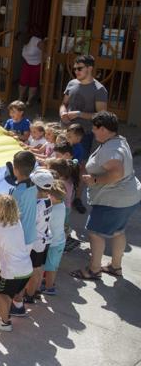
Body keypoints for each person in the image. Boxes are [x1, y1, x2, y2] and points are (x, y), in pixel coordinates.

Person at [71, 111, 141, 280]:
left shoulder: (112, 148)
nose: (93, 132)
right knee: (118, 231)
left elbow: (116, 173)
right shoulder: (118, 140)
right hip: (130, 197)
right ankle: (115, 267)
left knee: (95, 232)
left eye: (95, 128)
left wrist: (95, 180)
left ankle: (94, 270)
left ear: (103, 128)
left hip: (113, 200)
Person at [0, 194, 33, 332]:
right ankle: (2, 312)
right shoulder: (16, 222)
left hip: (11, 272)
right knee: (7, 293)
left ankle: (4, 322)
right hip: (26, 269)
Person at [59, 54, 107, 155]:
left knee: (79, 163)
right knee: (60, 160)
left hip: (83, 134)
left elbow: (101, 116)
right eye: (75, 69)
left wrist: (79, 114)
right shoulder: (71, 83)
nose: (76, 71)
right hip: (65, 130)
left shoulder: (99, 90)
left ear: (90, 68)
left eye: (79, 68)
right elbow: (64, 103)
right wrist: (63, 112)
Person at [8, 150, 37, 317]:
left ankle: (13, 305)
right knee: (22, 270)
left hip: (19, 238)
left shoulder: (17, 192)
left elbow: (10, 214)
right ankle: (18, 302)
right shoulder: (32, 185)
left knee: (13, 273)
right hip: (30, 236)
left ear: (15, 169)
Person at [23, 169, 54, 304]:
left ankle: (29, 295)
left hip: (36, 242)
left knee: (34, 270)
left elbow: (28, 222)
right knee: (39, 268)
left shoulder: (36, 205)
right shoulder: (48, 200)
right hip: (45, 238)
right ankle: (35, 290)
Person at [42, 180, 67, 295]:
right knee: (52, 265)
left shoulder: (53, 210)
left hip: (54, 244)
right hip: (60, 241)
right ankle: (48, 283)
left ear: (53, 197)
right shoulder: (61, 205)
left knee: (50, 267)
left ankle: (49, 287)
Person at [18, 29, 45, 105]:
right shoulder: (24, 43)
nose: (20, 42)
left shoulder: (36, 41)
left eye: (21, 40)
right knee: (22, 82)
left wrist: (45, 61)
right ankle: (20, 98)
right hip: (27, 64)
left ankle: (29, 100)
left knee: (33, 83)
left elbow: (46, 50)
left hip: (37, 65)